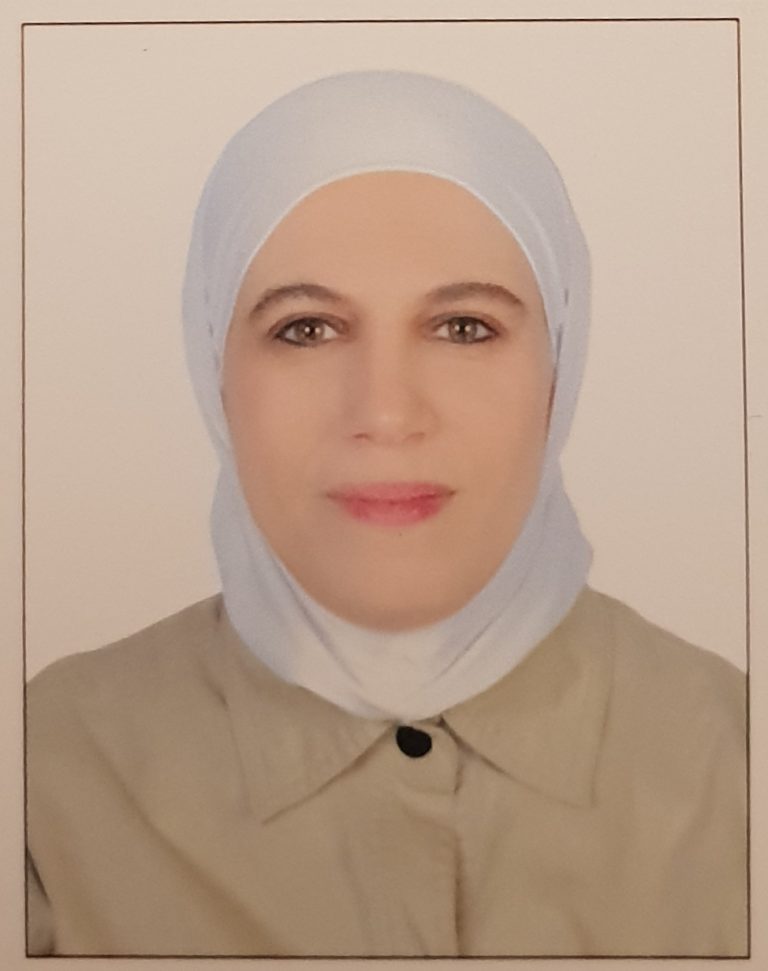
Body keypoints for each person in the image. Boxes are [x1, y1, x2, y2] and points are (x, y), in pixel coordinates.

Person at [25, 70, 747, 957]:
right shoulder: (42, 783)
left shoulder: (737, 767)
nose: (388, 412)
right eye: (306, 328)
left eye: (464, 327)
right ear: (214, 368)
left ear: (560, 365)